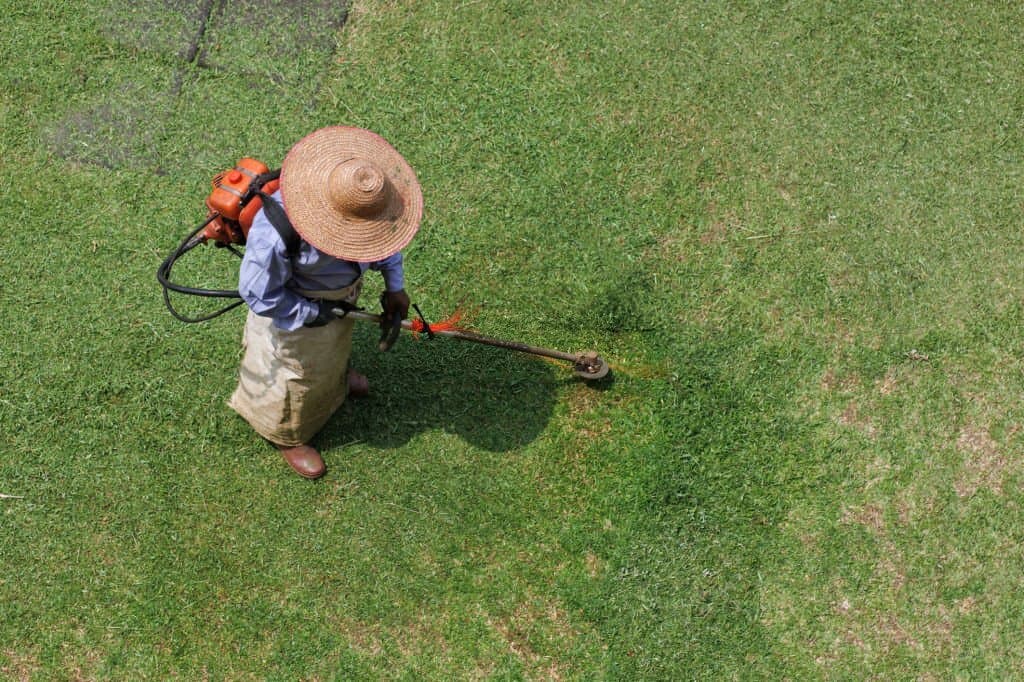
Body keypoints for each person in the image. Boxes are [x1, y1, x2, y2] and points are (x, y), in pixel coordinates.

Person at [228, 126, 423, 479]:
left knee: (333, 351)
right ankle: (288, 433)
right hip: (296, 312)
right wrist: (311, 313)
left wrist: (395, 287)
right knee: (297, 372)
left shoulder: (366, 194)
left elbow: (383, 238)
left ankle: (335, 383)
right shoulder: (275, 232)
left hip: (337, 301)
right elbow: (258, 293)